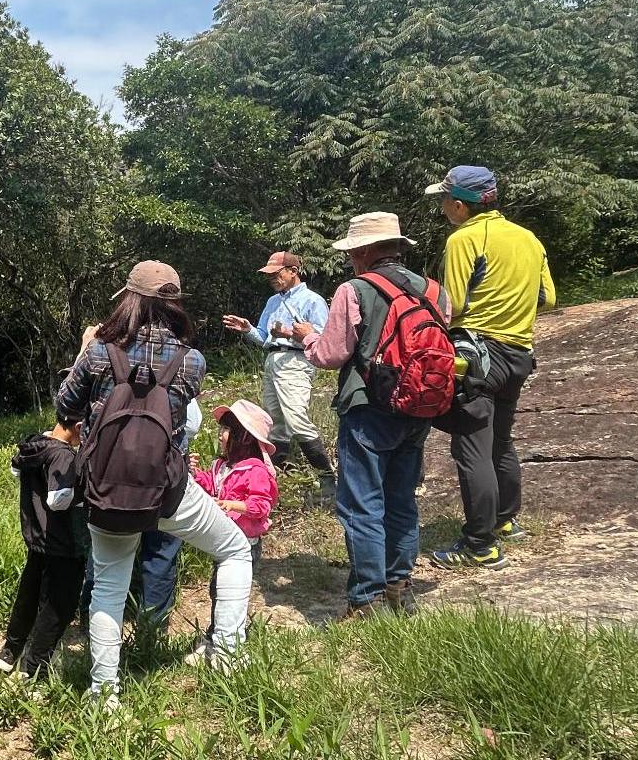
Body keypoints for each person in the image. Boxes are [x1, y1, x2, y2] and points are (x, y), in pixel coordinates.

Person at [57, 260, 254, 698]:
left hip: (105, 490)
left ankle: (103, 693)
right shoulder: (192, 361)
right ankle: (227, 655)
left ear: (129, 300)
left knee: (109, 586)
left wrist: (90, 352)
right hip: (168, 491)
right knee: (235, 549)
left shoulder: (98, 353)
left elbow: (64, 406)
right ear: (173, 304)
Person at [296, 214, 452, 620]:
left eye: (352, 254)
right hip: (418, 408)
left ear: (364, 252)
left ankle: (366, 599)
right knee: (401, 500)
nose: (350, 261)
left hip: (369, 408)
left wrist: (306, 338)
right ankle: (400, 587)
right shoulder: (435, 291)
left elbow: (330, 355)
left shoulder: (354, 290)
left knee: (362, 504)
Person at [423, 166, 556, 570]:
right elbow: (547, 297)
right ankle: (505, 521)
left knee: (471, 446)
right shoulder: (528, 238)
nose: (443, 206)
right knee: (501, 439)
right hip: (518, 353)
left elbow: (455, 305)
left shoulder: (463, 239)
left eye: (445, 199)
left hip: (478, 354)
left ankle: (480, 545)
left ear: (460, 205)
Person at [221, 251, 335, 486]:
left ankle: (326, 477)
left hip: (296, 360)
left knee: (295, 417)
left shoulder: (313, 300)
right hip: (273, 360)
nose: (272, 278)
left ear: (293, 271)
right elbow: (264, 337)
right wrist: (247, 328)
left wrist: (289, 334)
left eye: (277, 273)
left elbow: (323, 340)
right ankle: (281, 475)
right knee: (275, 421)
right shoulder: (272, 302)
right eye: (269, 275)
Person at [0, 415, 87, 679]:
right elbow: (58, 499)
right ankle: (35, 668)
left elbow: (16, 470)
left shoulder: (36, 444)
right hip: (63, 541)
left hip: (36, 535)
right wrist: (85, 493)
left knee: (31, 593)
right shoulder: (62, 455)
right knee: (60, 605)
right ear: (79, 427)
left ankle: (10, 650)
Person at [189, 400, 280, 645]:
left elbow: (262, 506)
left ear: (244, 437)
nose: (220, 435)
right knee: (217, 589)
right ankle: (219, 633)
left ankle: (226, 637)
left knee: (231, 591)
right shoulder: (221, 466)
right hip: (224, 540)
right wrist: (195, 475)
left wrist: (234, 505)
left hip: (246, 542)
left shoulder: (256, 470)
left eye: (226, 430)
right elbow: (210, 485)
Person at [127, 395, 205, 630]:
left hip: (117, 470)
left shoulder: (108, 360)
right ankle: (151, 628)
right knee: (161, 548)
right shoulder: (179, 362)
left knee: (109, 548)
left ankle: (94, 622)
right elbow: (191, 423)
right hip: (165, 471)